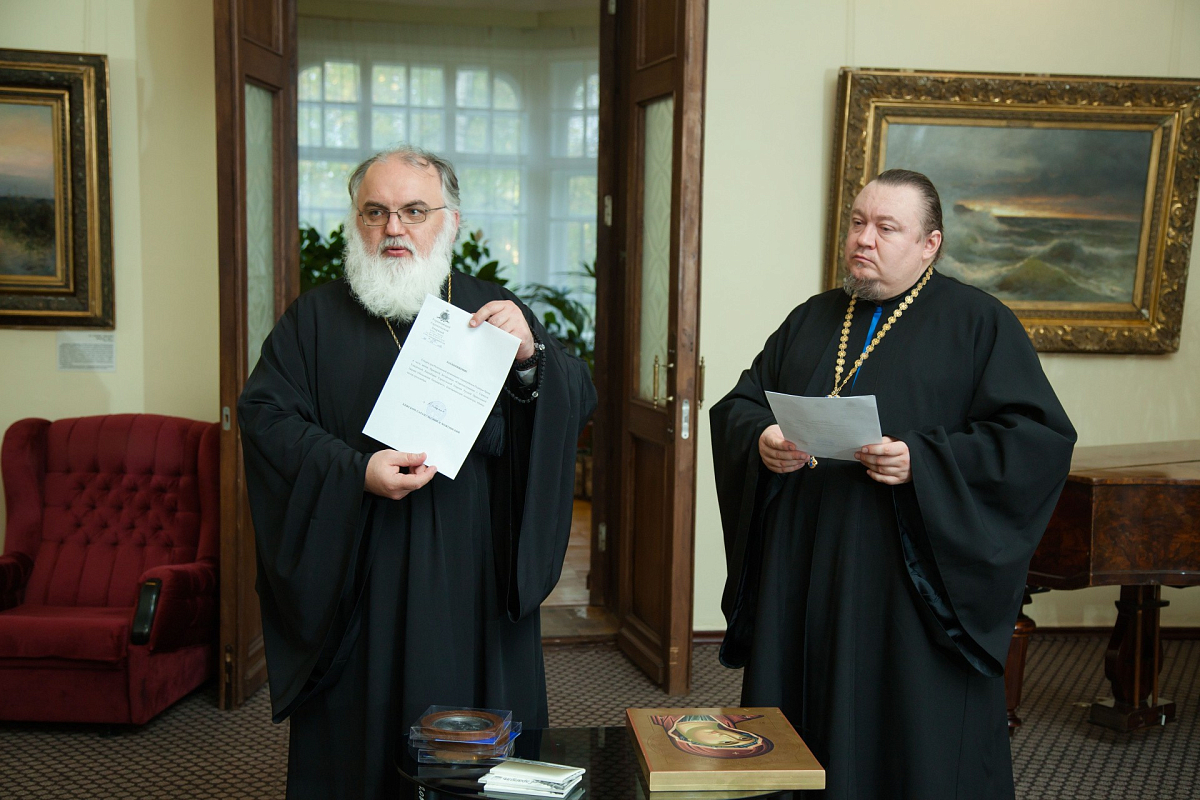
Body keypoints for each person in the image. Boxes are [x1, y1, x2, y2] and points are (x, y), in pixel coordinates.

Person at [238, 145, 596, 799]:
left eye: (413, 211)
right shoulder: (313, 319)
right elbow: (265, 419)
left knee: (474, 747)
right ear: (356, 220)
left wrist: (530, 358)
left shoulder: (496, 310)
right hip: (360, 571)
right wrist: (355, 469)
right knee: (364, 746)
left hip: (474, 568)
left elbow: (572, 396)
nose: (393, 228)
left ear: (450, 222)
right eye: (375, 212)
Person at [709, 169, 1076, 800]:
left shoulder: (978, 323)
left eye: (886, 227)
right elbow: (740, 404)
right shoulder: (812, 318)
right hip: (806, 564)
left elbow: (1037, 440)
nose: (864, 239)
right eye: (858, 222)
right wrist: (762, 438)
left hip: (908, 581)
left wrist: (922, 462)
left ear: (930, 244)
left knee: (904, 740)